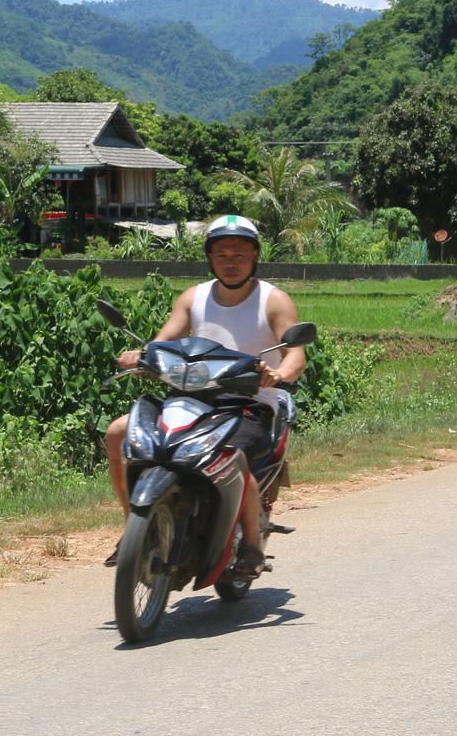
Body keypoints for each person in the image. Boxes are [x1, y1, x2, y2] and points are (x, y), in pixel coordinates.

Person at [102, 215, 307, 576]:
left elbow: (295, 353)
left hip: (250, 401)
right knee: (119, 433)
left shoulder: (273, 300)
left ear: (255, 257)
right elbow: (162, 341)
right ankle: (135, 527)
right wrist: (140, 354)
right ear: (210, 258)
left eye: (240, 254)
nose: (231, 261)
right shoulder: (193, 297)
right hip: (192, 396)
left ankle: (252, 548)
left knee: (232, 454)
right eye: (222, 253)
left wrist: (277, 375)